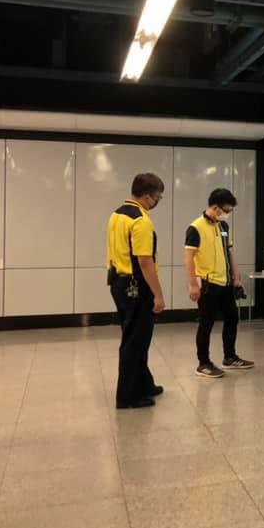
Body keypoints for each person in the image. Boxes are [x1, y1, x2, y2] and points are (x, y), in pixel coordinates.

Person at [107, 173, 166, 409]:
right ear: (148, 196)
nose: (157, 201)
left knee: (135, 337)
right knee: (135, 342)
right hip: (136, 287)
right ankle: (128, 396)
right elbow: (145, 261)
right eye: (158, 196)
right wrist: (158, 294)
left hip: (118, 283)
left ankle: (144, 383)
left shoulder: (118, 214)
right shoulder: (141, 220)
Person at [185, 188, 254, 378]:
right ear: (215, 207)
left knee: (232, 318)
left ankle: (230, 357)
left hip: (225, 283)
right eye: (226, 210)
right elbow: (189, 258)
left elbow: (230, 252)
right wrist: (193, 284)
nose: (227, 214)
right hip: (208, 284)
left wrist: (236, 277)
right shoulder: (195, 228)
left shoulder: (223, 226)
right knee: (206, 323)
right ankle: (203, 363)